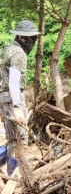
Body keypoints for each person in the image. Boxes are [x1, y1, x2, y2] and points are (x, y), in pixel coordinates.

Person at [0, 20, 42, 174]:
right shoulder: (19, 53)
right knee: (19, 140)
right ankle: (14, 179)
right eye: (32, 38)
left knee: (13, 139)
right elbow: (13, 81)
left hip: (5, 97)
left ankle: (13, 177)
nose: (33, 41)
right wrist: (17, 107)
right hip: (12, 97)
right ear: (23, 38)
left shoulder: (9, 48)